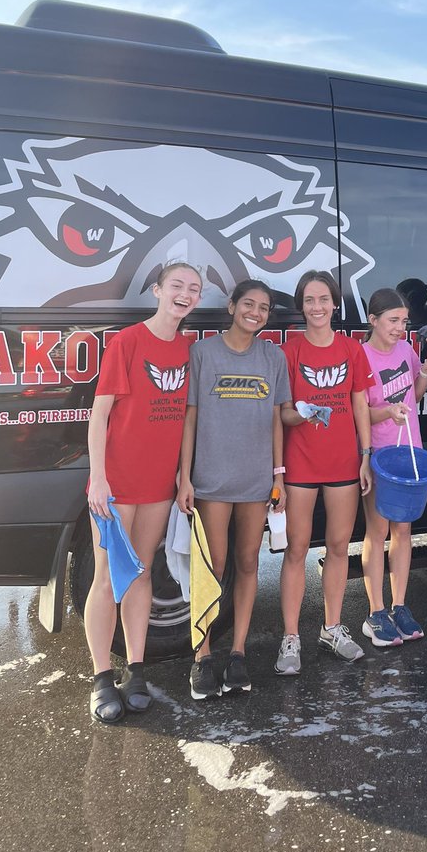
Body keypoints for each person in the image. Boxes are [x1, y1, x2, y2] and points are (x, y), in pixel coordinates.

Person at [85, 262, 203, 724]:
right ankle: (100, 677)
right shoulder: (127, 342)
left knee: (140, 573)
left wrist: (184, 475)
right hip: (115, 486)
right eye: (177, 286)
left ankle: (136, 670)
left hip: (158, 486)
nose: (185, 294)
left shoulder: (188, 350)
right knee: (106, 577)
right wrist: (98, 477)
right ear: (157, 290)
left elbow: (188, 420)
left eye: (194, 289)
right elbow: (100, 416)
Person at [177, 279, 290, 699]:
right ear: (231, 306)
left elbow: (279, 418)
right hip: (211, 479)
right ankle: (202, 655)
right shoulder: (202, 353)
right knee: (212, 566)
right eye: (248, 304)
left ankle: (238, 652)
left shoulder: (272, 356)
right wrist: (184, 476)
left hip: (256, 479)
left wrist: (278, 476)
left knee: (247, 563)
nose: (255, 312)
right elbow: (189, 417)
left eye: (263, 308)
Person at [276, 270, 373, 670]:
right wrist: (302, 414)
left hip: (343, 465)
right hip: (300, 466)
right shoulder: (289, 352)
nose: (317, 307)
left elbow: (360, 404)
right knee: (297, 549)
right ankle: (291, 637)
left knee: (337, 547)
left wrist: (366, 454)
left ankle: (332, 627)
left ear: (335, 304)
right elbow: (280, 413)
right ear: (301, 306)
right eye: (309, 300)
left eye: (323, 299)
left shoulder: (352, 349)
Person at [360, 287, 427, 645]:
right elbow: (359, 412)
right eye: (392, 320)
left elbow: (416, 395)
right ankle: (376, 612)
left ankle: (400, 605)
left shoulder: (407, 350)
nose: (399, 327)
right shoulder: (361, 357)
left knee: (403, 532)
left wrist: (424, 370)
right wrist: (387, 412)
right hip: (380, 455)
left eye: (403, 321)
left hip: (410, 451)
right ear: (373, 320)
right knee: (376, 534)